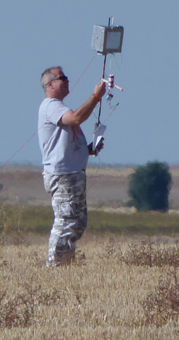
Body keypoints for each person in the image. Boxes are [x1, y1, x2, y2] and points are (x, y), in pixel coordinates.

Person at [37, 66, 106, 266]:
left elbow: (65, 142)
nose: (67, 81)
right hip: (63, 175)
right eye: (62, 78)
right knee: (66, 221)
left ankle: (65, 262)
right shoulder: (51, 105)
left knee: (77, 223)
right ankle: (55, 265)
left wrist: (89, 149)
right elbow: (76, 118)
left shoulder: (57, 107)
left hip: (73, 174)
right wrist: (96, 96)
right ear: (50, 84)